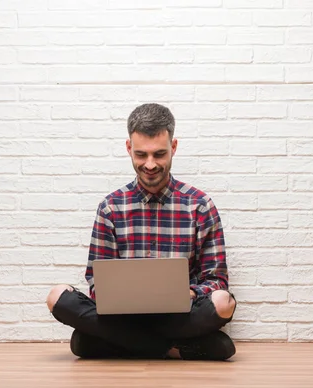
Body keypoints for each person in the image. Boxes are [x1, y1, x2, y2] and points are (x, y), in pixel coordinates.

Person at [45, 103, 237, 361]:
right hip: (123, 316)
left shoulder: (200, 205)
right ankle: (170, 348)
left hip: (179, 315)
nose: (150, 164)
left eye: (159, 154)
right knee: (57, 297)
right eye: (141, 155)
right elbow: (96, 281)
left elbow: (216, 279)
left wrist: (188, 293)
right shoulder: (110, 207)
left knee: (224, 303)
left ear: (174, 147)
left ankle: (122, 342)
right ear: (128, 148)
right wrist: (119, 296)